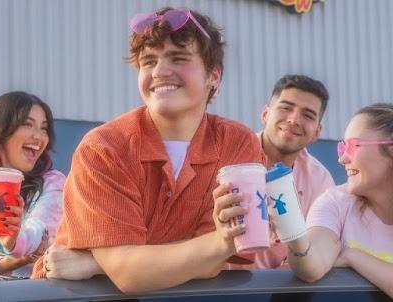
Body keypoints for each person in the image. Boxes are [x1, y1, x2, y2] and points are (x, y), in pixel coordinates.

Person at [31, 7, 262, 293]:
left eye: (179, 58)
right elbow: (130, 275)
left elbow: (220, 258)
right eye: (148, 61)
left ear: (213, 75)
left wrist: (100, 264)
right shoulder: (104, 148)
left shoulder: (238, 143)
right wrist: (213, 246)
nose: (160, 71)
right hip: (72, 295)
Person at [227, 74, 335, 269]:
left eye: (308, 115)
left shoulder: (320, 180)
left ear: (317, 133)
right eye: (286, 108)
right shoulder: (228, 159)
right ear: (265, 114)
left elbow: (317, 248)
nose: (294, 119)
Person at [287, 103, 393, 298]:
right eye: (342, 147)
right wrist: (287, 222)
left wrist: (354, 256)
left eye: (353, 146)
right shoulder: (335, 203)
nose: (342, 158)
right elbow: (312, 266)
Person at [0, 91, 65, 278]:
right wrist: (4, 264)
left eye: (44, 128)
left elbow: (40, 233)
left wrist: (12, 239)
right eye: (27, 124)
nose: (39, 137)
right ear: (1, 131)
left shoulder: (53, 183)